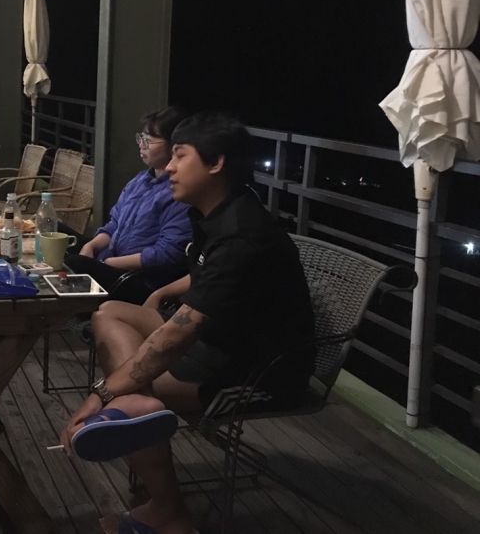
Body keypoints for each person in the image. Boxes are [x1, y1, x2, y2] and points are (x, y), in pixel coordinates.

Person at [60, 114, 315, 534]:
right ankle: (138, 407)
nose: (170, 167)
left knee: (127, 394)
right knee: (110, 312)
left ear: (216, 163)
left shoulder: (241, 235)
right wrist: (162, 293)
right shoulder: (218, 210)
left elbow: (178, 335)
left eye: (180, 156)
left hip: (254, 370)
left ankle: (169, 512)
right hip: (215, 339)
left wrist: (102, 393)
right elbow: (203, 280)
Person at [65, 107, 192, 305]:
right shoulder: (140, 180)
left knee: (73, 263)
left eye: (149, 141)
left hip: (138, 280)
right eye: (141, 138)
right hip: (111, 260)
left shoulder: (178, 192)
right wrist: (91, 246)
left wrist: (107, 263)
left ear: (174, 147)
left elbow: (166, 253)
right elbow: (114, 224)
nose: (141, 145)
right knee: (59, 237)